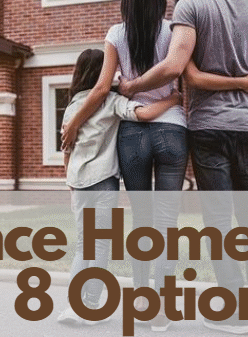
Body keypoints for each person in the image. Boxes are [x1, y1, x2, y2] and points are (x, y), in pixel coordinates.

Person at [61, 0, 248, 331]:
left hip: (133, 135)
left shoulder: (116, 34)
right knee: (166, 223)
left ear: (126, 0)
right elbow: (187, 75)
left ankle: (143, 304)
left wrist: (74, 122)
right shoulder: (174, 30)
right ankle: (162, 310)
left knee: (142, 221)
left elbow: (102, 89)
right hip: (172, 130)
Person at [118, 0, 248, 334]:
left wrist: (131, 86)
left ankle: (233, 313)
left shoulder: (190, 6)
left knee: (219, 220)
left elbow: (177, 68)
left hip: (208, 127)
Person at [57, 48, 181, 326]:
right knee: (100, 246)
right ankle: (89, 305)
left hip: (78, 183)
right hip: (103, 182)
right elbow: (144, 114)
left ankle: (74, 306)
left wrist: (70, 181)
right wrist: (173, 99)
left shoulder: (73, 106)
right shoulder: (111, 102)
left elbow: (67, 150)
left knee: (83, 247)